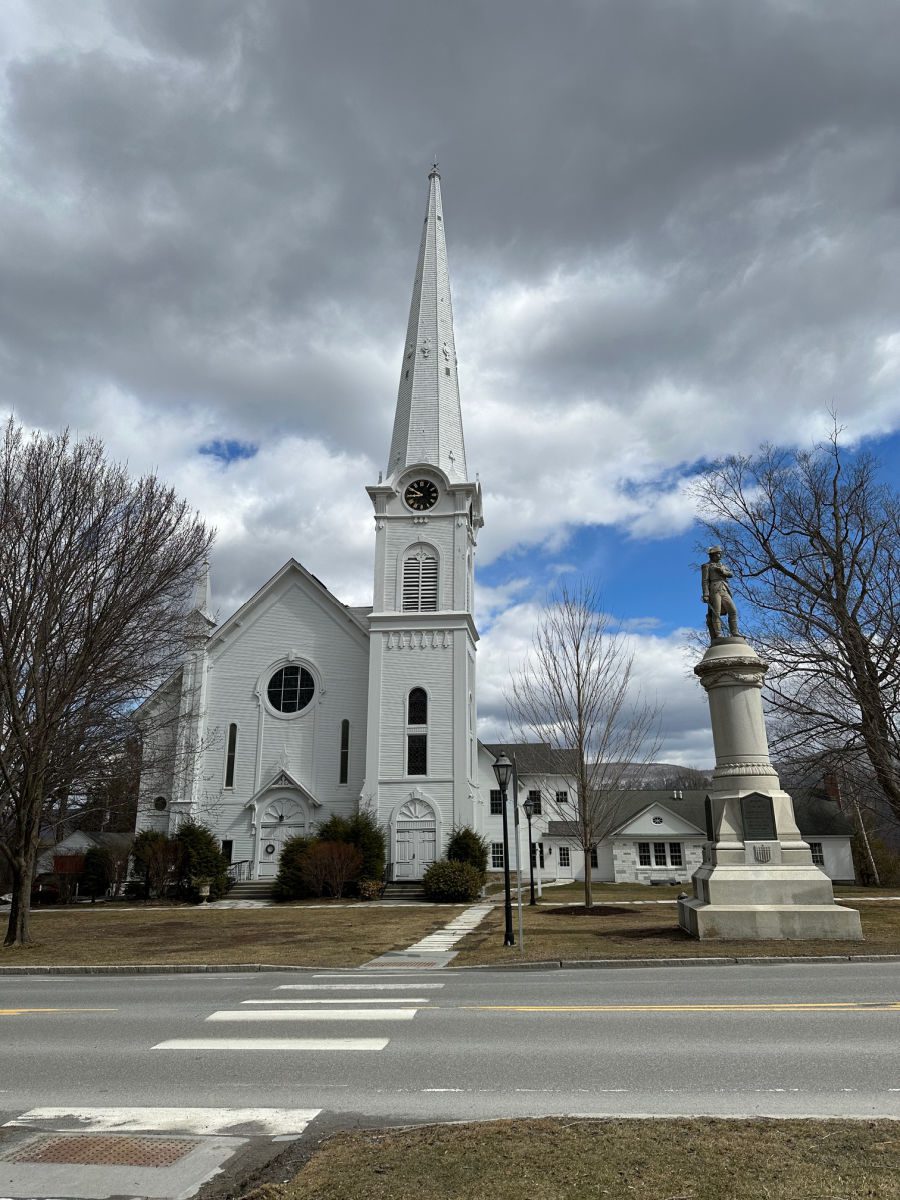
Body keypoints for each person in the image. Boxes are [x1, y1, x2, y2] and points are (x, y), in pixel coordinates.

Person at [702, 546, 740, 639]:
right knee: (716, 612)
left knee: (733, 611)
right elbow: (705, 581)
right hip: (714, 589)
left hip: (724, 588)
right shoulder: (707, 566)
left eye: (720, 554)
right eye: (717, 554)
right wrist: (706, 594)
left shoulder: (722, 565)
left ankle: (735, 632)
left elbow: (730, 574)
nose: (719, 556)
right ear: (712, 555)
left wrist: (722, 571)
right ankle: (718, 634)